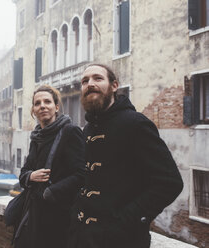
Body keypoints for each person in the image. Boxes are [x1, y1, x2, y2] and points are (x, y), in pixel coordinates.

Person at [67, 64, 184, 248]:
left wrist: (125, 221)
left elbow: (170, 182)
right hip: (83, 238)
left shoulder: (136, 123)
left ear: (114, 86)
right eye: (85, 81)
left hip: (122, 240)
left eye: (97, 78)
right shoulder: (88, 129)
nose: (90, 84)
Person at [14, 85, 86, 248]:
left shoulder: (70, 132)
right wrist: (31, 176)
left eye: (47, 101)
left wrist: (51, 192)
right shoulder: (36, 137)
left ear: (56, 107)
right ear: (33, 110)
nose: (42, 106)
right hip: (33, 214)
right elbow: (24, 172)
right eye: (37, 103)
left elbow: (81, 174)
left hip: (59, 216)